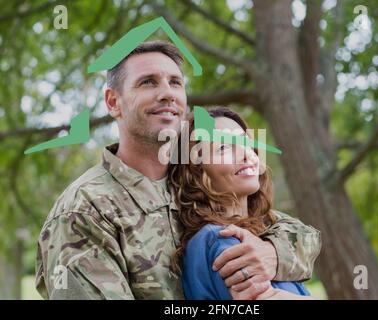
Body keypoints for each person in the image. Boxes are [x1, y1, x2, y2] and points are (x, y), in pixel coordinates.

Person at [36, 41, 321, 300]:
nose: (167, 94)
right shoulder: (85, 211)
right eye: (148, 82)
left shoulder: (197, 181)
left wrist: (272, 253)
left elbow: (301, 234)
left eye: (175, 83)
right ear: (113, 102)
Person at [169, 107, 321, 300]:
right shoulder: (221, 239)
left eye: (245, 142)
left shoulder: (263, 230)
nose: (245, 154)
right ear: (195, 173)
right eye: (223, 147)